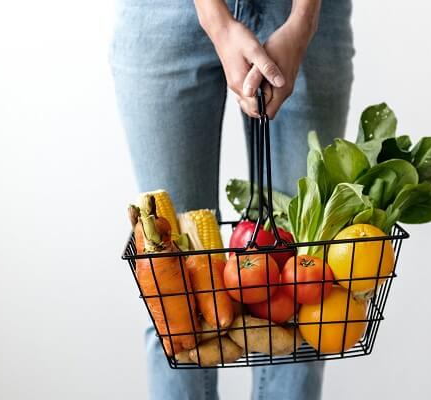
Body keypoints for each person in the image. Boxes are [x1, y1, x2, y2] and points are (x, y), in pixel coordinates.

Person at [110, 0, 353, 398]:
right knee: (173, 302)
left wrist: (303, 21)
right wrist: (215, 19)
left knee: (306, 293)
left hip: (301, 14)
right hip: (165, 15)